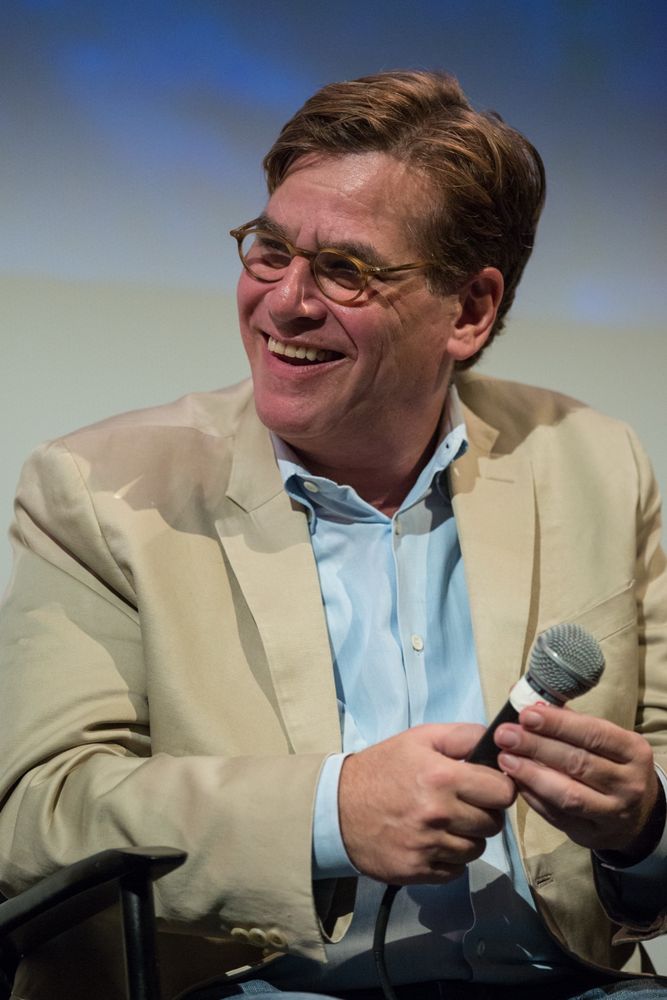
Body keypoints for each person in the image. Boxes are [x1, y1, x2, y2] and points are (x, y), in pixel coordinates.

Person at [0, 70, 666, 1000]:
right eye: (269, 250)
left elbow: (657, 774)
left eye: (346, 270)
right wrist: (328, 813)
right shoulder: (99, 492)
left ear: (468, 312)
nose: (284, 302)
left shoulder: (594, 462)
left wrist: (644, 826)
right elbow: (37, 816)